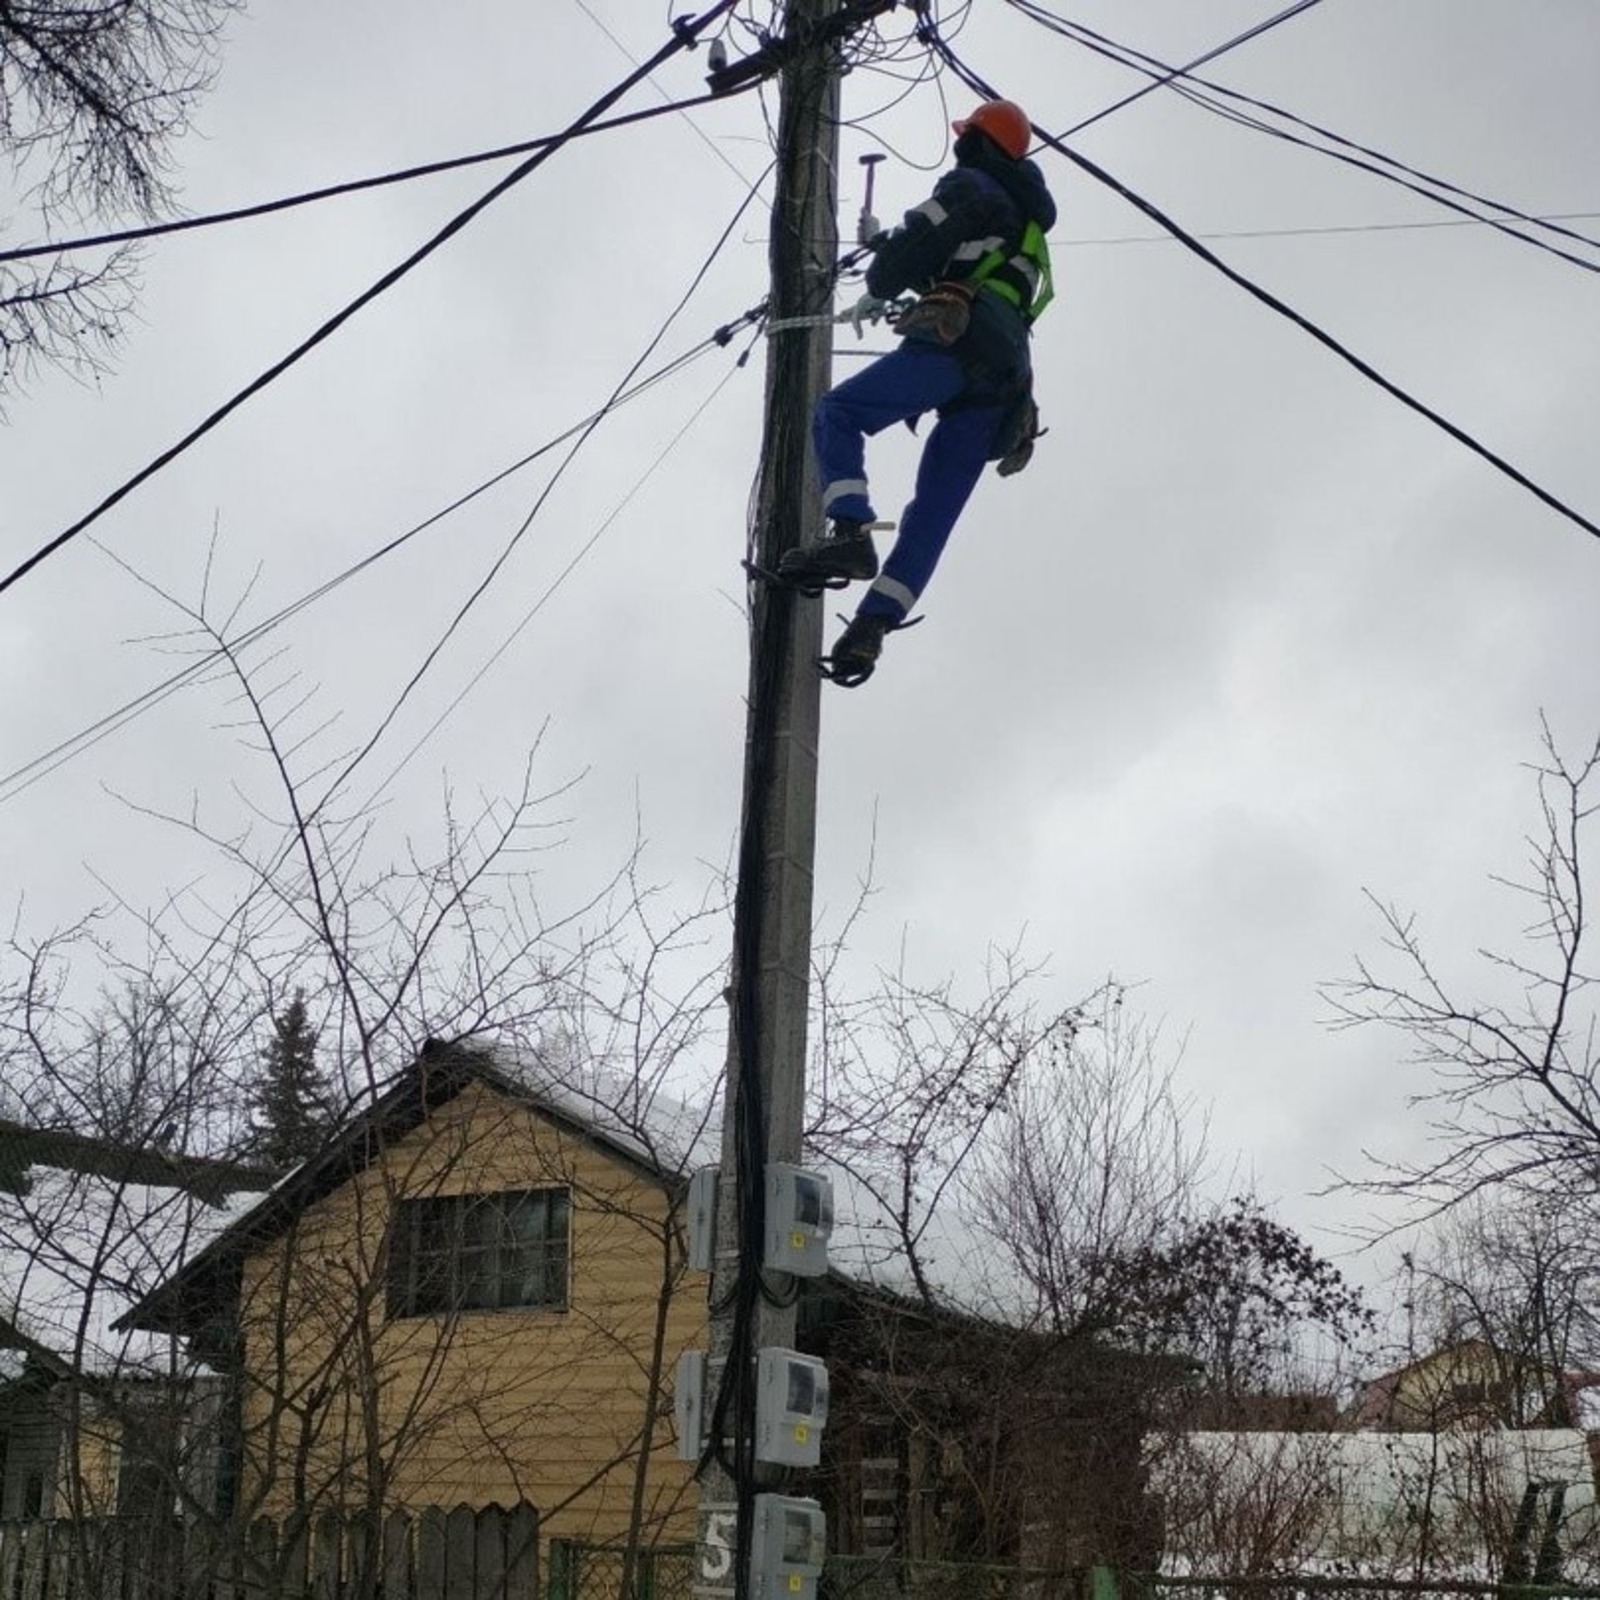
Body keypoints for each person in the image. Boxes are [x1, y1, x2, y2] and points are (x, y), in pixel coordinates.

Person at [778, 99, 1058, 686]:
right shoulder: (1031, 227)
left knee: (840, 411)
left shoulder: (972, 186)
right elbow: (988, 274)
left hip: (957, 348)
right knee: (931, 516)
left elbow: (911, 248)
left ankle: (851, 534)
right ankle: (870, 630)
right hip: (1005, 384)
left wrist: (884, 275)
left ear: (973, 143)